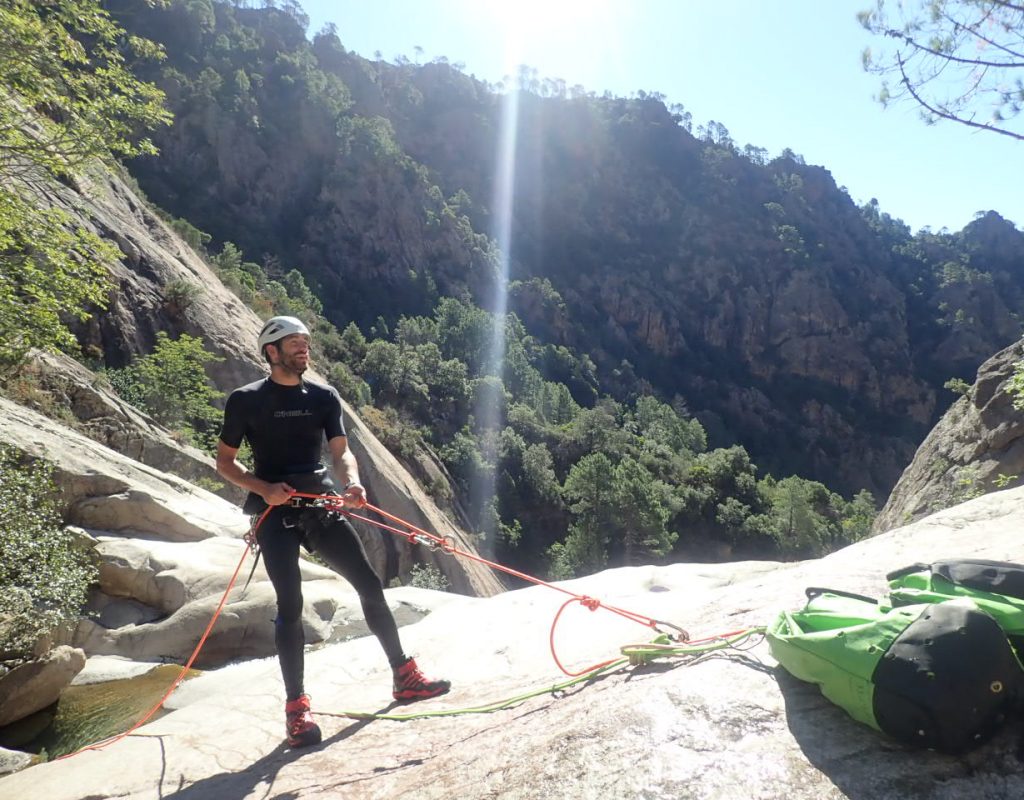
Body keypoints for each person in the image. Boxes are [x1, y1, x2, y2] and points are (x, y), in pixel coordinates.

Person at [216, 315, 450, 748]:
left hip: (321, 503)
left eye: (306, 342)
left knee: (369, 585)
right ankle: (296, 711)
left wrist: (352, 482)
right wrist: (264, 488)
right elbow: (226, 464)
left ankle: (404, 676)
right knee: (290, 606)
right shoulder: (245, 401)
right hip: (276, 514)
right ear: (271, 351)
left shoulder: (323, 397)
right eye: (294, 343)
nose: (304, 348)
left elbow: (341, 453)